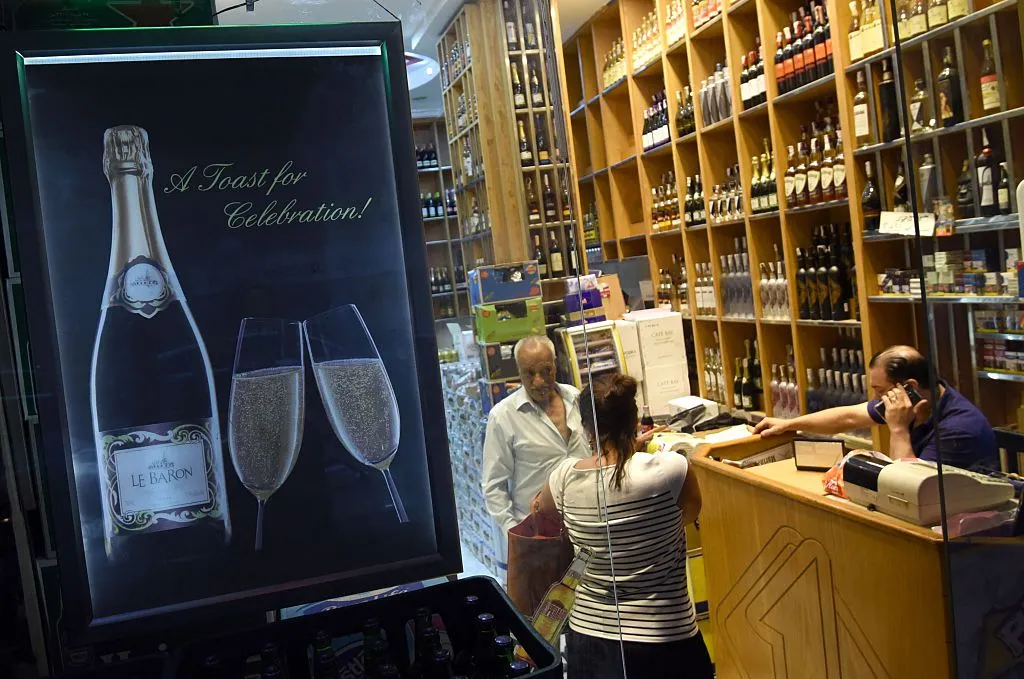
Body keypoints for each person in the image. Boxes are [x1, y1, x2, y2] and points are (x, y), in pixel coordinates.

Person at [534, 374, 712, 679]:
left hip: (589, 638)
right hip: (664, 636)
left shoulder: (563, 477)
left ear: (587, 426)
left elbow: (540, 513)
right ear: (635, 418)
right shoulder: (668, 470)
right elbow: (688, 512)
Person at [754, 344, 998, 469]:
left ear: (910, 386)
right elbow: (847, 418)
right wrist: (788, 423)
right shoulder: (916, 399)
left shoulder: (958, 428)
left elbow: (908, 488)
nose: (879, 399)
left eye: (881, 391)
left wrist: (899, 430)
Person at [482, 335, 591, 534]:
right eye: (529, 373)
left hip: (586, 522)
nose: (538, 381)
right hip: (538, 533)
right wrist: (514, 533)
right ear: (518, 372)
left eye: (546, 371)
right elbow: (493, 485)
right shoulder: (503, 416)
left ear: (555, 365)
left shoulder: (575, 397)